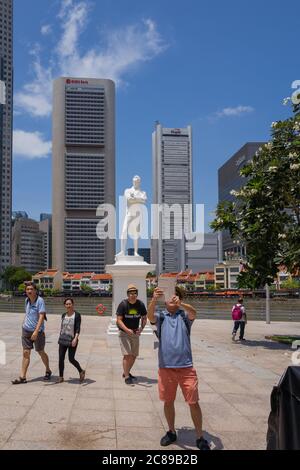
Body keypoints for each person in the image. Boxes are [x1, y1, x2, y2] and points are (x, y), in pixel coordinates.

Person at [147, 286, 211, 451]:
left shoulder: (184, 316)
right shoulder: (161, 316)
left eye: (174, 295)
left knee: (193, 402)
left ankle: (199, 436)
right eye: (169, 296)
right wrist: (154, 299)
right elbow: (149, 316)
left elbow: (194, 313)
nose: (172, 298)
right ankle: (171, 431)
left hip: (186, 367)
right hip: (166, 367)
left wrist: (181, 304)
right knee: (168, 401)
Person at [12, 282, 52, 384]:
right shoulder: (26, 300)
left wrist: (36, 331)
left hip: (37, 331)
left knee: (40, 351)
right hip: (26, 330)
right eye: (27, 289)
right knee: (26, 353)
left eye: (31, 289)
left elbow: (41, 316)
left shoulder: (40, 301)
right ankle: (22, 377)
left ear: (35, 291)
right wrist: (23, 323)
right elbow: (28, 314)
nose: (29, 291)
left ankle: (48, 370)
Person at [116, 284, 147, 385]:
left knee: (134, 355)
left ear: (137, 294)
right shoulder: (123, 304)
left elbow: (144, 318)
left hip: (135, 332)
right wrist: (126, 329)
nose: (133, 295)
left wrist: (141, 329)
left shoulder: (140, 304)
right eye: (130, 293)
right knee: (127, 354)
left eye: (134, 293)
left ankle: (126, 372)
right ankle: (127, 377)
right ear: (128, 294)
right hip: (124, 332)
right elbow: (119, 320)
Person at [116, 175, 147, 257]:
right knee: (124, 231)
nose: (135, 183)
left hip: (138, 215)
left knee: (136, 234)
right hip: (129, 214)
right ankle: (122, 251)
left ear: (139, 182)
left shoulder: (143, 192)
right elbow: (129, 199)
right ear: (132, 182)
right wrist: (138, 199)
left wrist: (135, 198)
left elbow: (144, 201)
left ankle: (136, 252)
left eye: (137, 182)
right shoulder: (127, 190)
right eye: (134, 181)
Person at [57, 298, 85, 384]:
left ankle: (81, 371)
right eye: (67, 304)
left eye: (70, 304)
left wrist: (75, 339)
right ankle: (61, 377)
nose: (68, 306)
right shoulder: (63, 315)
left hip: (72, 339)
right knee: (61, 358)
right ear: (65, 305)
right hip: (63, 339)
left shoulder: (77, 315)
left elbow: (77, 328)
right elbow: (62, 327)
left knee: (71, 359)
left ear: (73, 304)